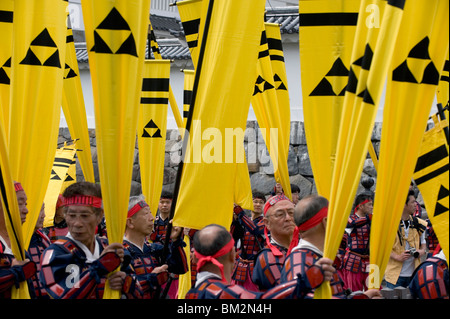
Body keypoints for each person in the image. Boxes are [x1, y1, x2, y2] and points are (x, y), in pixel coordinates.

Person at [39, 181, 142, 299]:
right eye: (72, 216)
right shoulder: (55, 254)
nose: (77, 223)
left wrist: (125, 283)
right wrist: (98, 269)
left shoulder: (112, 249)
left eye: (85, 216)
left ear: (99, 216)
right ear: (65, 215)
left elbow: (140, 293)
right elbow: (62, 296)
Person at [184, 224, 335, 299]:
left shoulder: (191, 294)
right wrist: (306, 280)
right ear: (232, 254)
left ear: (195, 257)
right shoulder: (223, 292)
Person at [280, 194, 381, 299]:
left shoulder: (313, 257)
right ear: (326, 222)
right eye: (336, 220)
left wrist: (363, 297)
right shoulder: (301, 261)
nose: (340, 225)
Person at [123, 195, 188, 299]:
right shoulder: (120, 253)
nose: (152, 218)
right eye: (146, 214)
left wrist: (175, 241)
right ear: (130, 222)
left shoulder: (154, 249)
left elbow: (180, 268)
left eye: (150, 213)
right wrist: (152, 279)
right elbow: (123, 287)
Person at [384, 190, 428, 289]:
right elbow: (382, 247)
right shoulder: (390, 224)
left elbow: (423, 246)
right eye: (412, 202)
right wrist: (397, 257)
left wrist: (420, 252)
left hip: (414, 274)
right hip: (394, 275)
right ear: (404, 204)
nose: (415, 205)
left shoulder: (419, 224)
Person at [252, 194, 296, 291]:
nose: (288, 218)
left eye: (291, 213)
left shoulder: (305, 248)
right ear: (267, 223)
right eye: (280, 214)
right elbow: (288, 293)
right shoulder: (267, 258)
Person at [0, 182, 36, 298]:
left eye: (25, 204)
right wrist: (15, 273)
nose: (26, 210)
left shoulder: (19, 246)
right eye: (19, 204)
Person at [230, 191, 266, 291]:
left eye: (261, 202)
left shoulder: (266, 222)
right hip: (240, 265)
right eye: (255, 201)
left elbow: (255, 230)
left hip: (256, 266)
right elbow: (232, 238)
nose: (258, 204)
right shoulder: (244, 221)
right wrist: (235, 220)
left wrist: (240, 212)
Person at [341, 192, 373, 292]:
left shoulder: (372, 220)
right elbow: (353, 224)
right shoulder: (350, 219)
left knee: (375, 289)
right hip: (354, 260)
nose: (372, 207)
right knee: (354, 292)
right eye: (370, 204)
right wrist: (370, 217)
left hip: (371, 260)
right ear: (361, 206)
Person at [27, 203, 51, 299]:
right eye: (39, 210)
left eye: (43, 209)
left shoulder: (44, 238)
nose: (44, 215)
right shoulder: (12, 243)